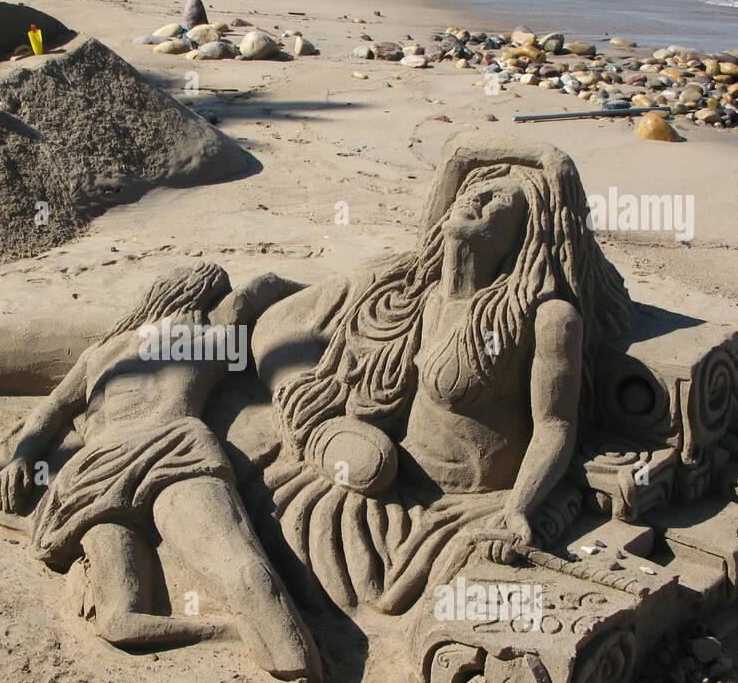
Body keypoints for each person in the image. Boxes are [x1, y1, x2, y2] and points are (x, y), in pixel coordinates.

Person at [249, 135, 638, 613]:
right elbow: (456, 154)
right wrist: (531, 155)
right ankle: (316, 428)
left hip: (465, 496)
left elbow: (556, 426)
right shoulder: (425, 290)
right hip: (388, 471)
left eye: (497, 200)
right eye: (470, 193)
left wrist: (519, 507)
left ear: (525, 232)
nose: (473, 200)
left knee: (384, 586)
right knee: (357, 478)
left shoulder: (546, 317)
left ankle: (325, 438)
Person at [0, 262, 322, 683]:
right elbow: (265, 285)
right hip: (173, 451)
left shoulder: (99, 355)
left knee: (118, 616)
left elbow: (49, 413)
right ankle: (292, 664)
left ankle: (256, 643)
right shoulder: (211, 333)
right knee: (241, 569)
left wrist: (20, 458)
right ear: (200, 298)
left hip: (95, 473)